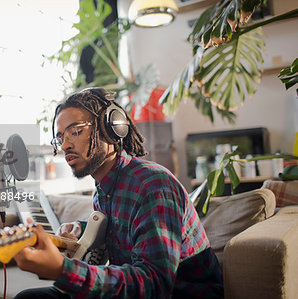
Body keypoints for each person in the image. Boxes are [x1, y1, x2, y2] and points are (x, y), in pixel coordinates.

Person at [14, 88, 224, 298]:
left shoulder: (153, 185)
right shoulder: (104, 190)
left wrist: (62, 269)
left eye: (75, 131)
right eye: (60, 139)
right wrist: (81, 227)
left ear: (112, 129)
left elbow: (156, 284)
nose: (66, 145)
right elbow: (120, 227)